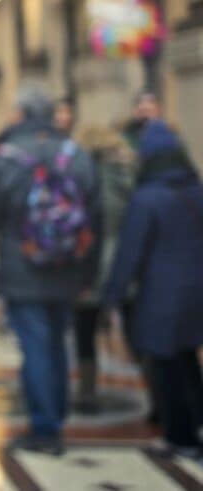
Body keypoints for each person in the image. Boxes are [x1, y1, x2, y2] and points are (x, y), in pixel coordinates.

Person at [0, 85, 100, 455]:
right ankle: (56, 412)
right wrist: (89, 272)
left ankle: (45, 428)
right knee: (57, 343)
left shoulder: (6, 157)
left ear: (19, 114)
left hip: (22, 267)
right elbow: (95, 217)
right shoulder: (76, 154)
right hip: (68, 266)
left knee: (35, 345)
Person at [102, 121, 203, 459]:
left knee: (165, 365)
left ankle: (181, 436)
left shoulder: (147, 198)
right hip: (196, 289)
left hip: (162, 294)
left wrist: (112, 294)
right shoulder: (196, 189)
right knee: (188, 358)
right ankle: (197, 423)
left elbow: (130, 253)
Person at [70, 124, 136, 413]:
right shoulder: (127, 176)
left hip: (87, 263)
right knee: (134, 327)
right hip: (124, 263)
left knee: (85, 331)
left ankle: (87, 390)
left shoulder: (78, 180)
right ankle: (157, 391)